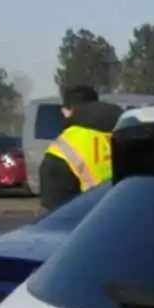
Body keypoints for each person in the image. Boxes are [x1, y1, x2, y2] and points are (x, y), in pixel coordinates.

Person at [40, 85, 122, 214]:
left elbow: (57, 218)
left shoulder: (63, 148)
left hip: (88, 227)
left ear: (66, 111)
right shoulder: (127, 133)